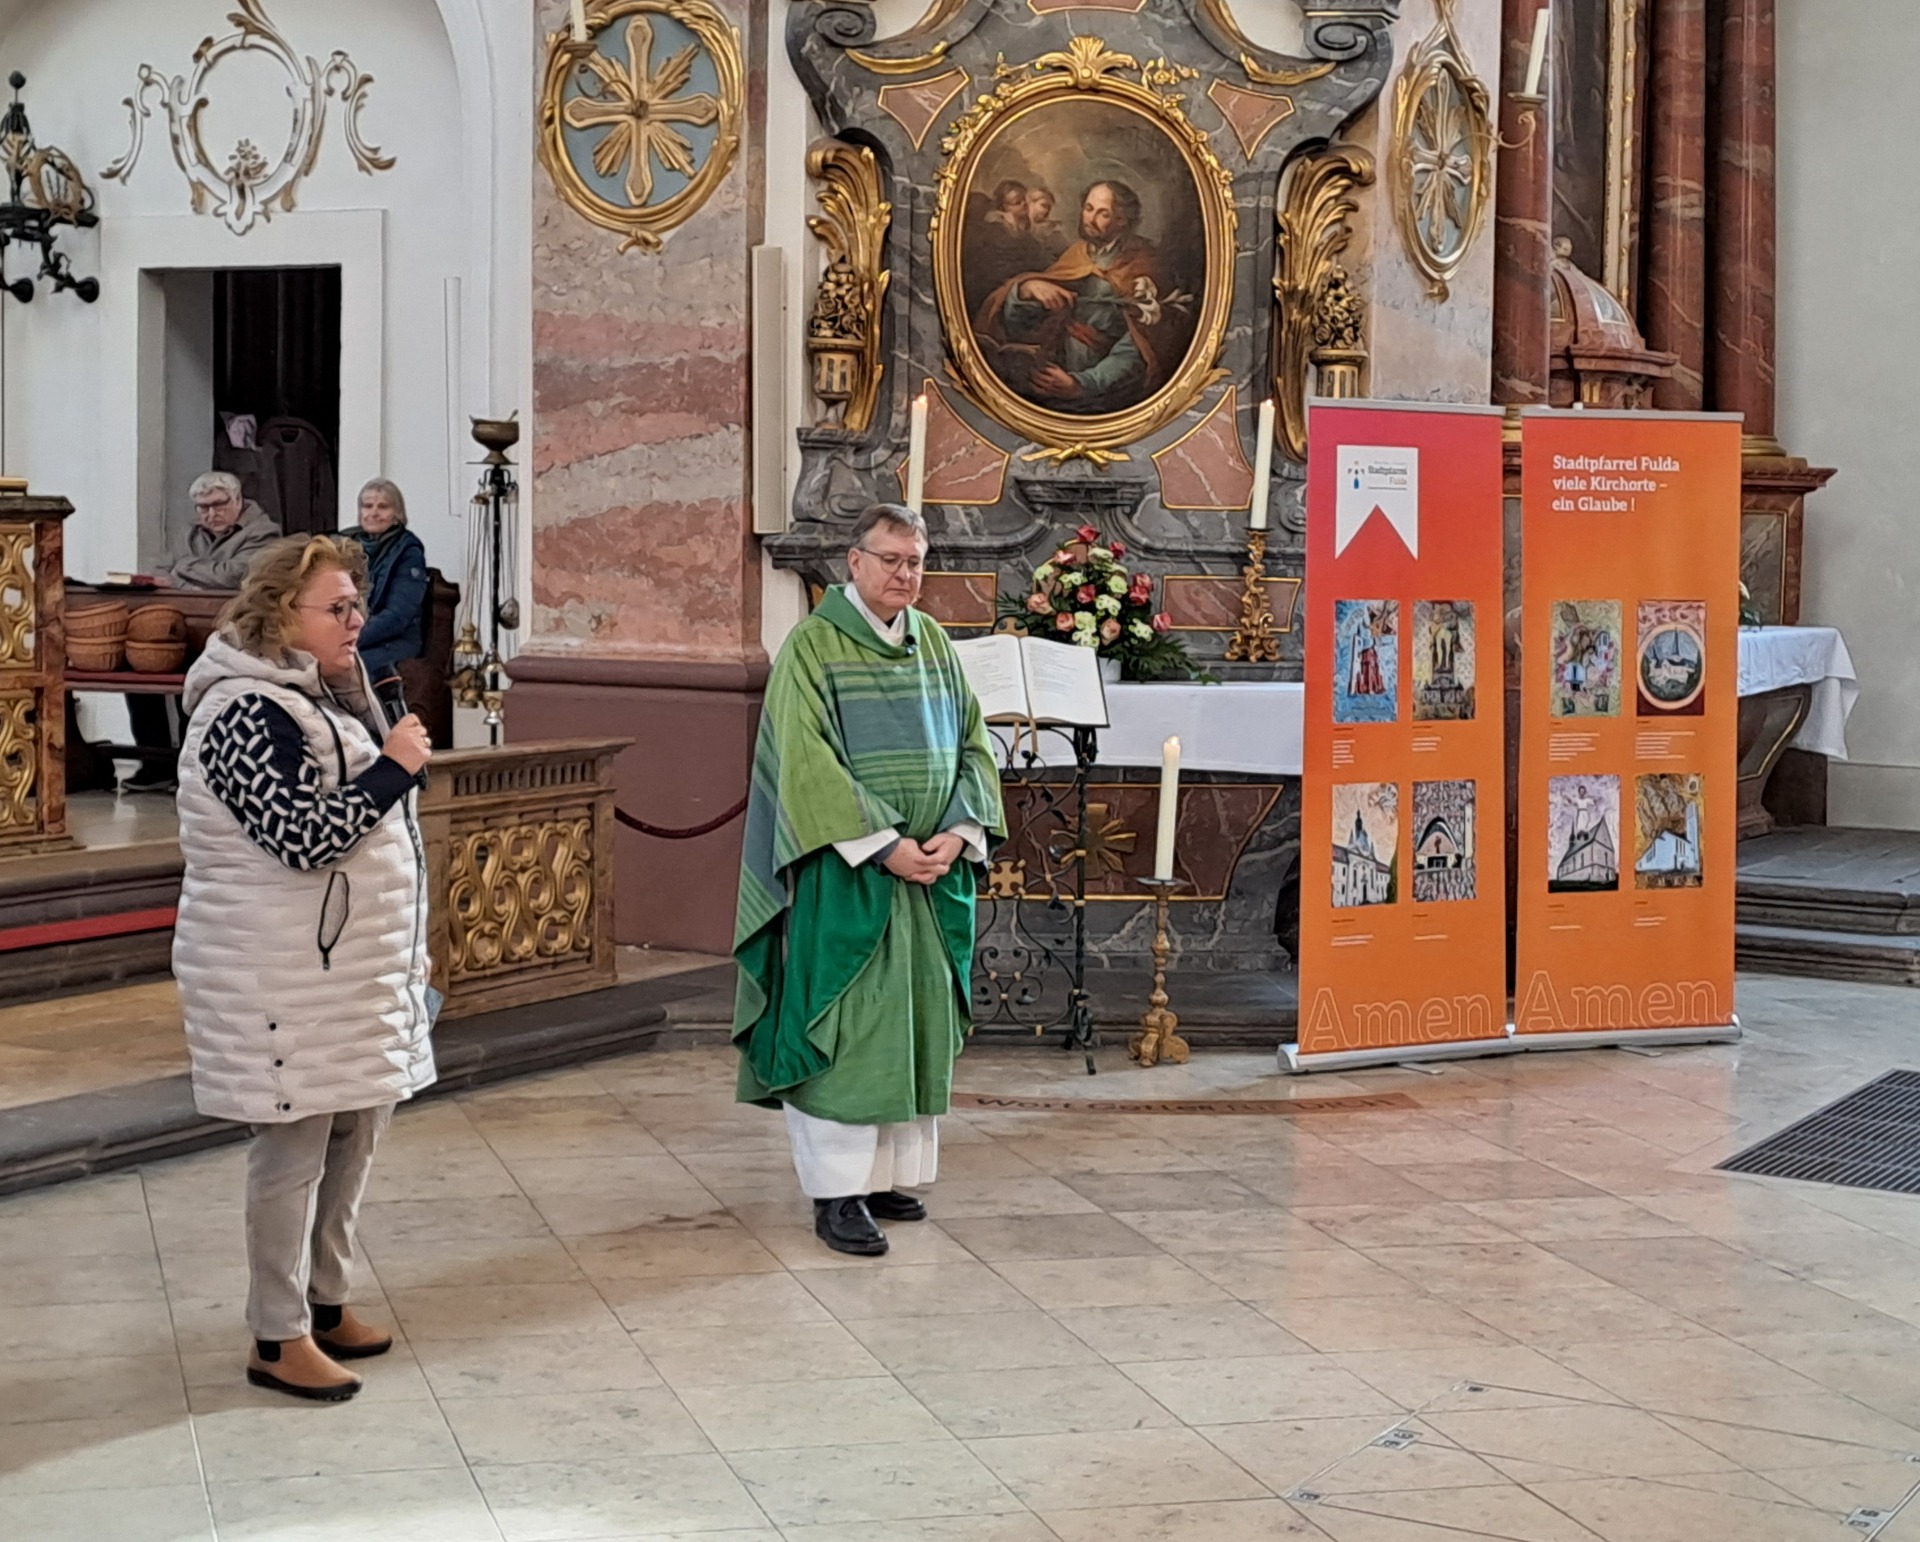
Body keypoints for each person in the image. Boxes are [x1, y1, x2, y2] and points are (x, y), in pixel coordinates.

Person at [172, 533, 435, 1402]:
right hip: (277, 972)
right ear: (281, 612)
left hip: (345, 971)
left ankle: (325, 1301)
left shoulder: (324, 694)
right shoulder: (241, 711)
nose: (356, 621)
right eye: (338, 607)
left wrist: (376, 735)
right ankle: (276, 1335)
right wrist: (393, 768)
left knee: (354, 1135)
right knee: (293, 1152)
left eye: (359, 604)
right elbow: (301, 837)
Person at [732, 504, 1004, 1257]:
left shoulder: (935, 644)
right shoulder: (812, 646)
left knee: (911, 1026)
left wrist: (958, 831)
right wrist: (885, 846)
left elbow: (974, 744)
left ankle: (885, 1176)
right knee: (849, 1028)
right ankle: (836, 1193)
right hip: (850, 874)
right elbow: (805, 760)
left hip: (929, 878)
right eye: (890, 559)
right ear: (853, 562)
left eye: (915, 561)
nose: (904, 574)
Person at [122, 473, 283, 792]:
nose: (210, 514)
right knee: (138, 669)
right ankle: (155, 763)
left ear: (237, 500)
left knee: (198, 680)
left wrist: (183, 570)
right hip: (182, 632)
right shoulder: (189, 533)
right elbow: (159, 571)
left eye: (218, 505)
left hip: (233, 637)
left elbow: (233, 575)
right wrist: (192, 577)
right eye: (202, 508)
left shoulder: (264, 532)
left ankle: (191, 766)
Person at [976, 180, 1189, 413]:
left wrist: (1082, 383)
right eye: (1088, 209)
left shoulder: (1143, 264)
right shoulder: (1077, 253)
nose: (1090, 219)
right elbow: (1024, 323)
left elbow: (1140, 344)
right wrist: (1027, 291)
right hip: (1050, 377)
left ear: (1122, 220)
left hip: (1105, 394)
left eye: (1103, 213)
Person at [345, 478, 431, 679]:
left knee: (347, 667)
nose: (374, 513)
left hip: (392, 641)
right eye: (367, 506)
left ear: (397, 514)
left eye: (383, 507)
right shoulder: (346, 544)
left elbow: (397, 616)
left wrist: (350, 637)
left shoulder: (408, 551)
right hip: (351, 634)